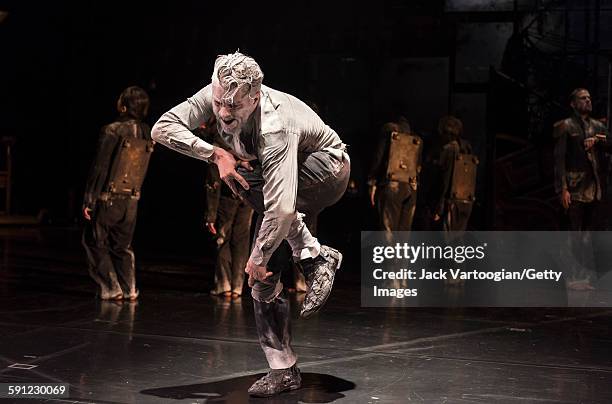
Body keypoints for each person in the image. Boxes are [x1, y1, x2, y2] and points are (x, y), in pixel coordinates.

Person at [151, 51, 350, 397]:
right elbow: (162, 128)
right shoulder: (215, 93)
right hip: (274, 189)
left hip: (327, 172)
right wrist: (216, 154)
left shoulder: (275, 125)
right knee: (262, 276)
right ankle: (283, 368)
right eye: (219, 104)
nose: (225, 114)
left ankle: (315, 254)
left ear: (255, 97)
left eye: (236, 107)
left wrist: (256, 254)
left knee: (254, 201)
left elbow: (282, 207)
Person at [82, 86, 153, 301]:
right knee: (122, 246)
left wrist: (89, 200)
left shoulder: (112, 130)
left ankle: (111, 287)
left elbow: (100, 168)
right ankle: (129, 288)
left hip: (108, 197)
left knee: (94, 240)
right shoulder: (146, 131)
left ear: (123, 105)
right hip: (132, 198)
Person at [553, 88, 611, 290]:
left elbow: (610, 141)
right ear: (573, 103)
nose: (588, 100)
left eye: (589, 97)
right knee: (572, 235)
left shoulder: (597, 126)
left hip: (592, 188)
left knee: (586, 236)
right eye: (583, 98)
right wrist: (563, 188)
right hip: (574, 187)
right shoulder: (566, 126)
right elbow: (559, 159)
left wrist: (598, 139)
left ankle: (582, 277)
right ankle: (570, 277)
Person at [205, 158, 254, 298]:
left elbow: (213, 183)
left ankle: (224, 285)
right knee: (241, 241)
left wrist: (210, 215)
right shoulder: (248, 145)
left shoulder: (221, 147)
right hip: (247, 197)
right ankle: (237, 287)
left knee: (223, 239)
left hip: (227, 198)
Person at [367, 116, 423, 231]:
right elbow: (418, 167)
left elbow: (379, 157)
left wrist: (372, 182)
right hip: (411, 188)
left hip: (392, 184)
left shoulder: (388, 132)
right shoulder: (416, 139)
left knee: (388, 234)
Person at [432, 115, 477, 232]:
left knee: (449, 242)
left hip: (452, 200)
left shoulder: (450, 149)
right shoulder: (467, 148)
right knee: (457, 239)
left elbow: (445, 180)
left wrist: (439, 206)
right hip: (466, 200)